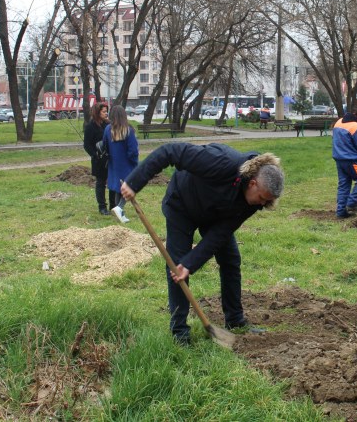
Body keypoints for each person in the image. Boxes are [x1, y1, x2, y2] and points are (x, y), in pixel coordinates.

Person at [120, 143, 284, 344]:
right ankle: (180, 332)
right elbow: (170, 151)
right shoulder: (222, 162)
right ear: (253, 183)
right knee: (176, 266)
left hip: (215, 215)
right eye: (261, 198)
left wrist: (192, 263)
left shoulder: (255, 202)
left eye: (266, 202)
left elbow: (220, 234)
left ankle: (235, 319)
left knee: (230, 261)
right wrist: (135, 182)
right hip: (182, 204)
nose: (262, 204)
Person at [332, 105, 357, 218]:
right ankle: (352, 203)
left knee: (344, 184)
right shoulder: (355, 127)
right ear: (356, 114)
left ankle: (341, 212)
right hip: (351, 160)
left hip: (339, 159)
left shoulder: (338, 122)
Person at [102, 106, 138, 223]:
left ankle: (120, 213)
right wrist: (135, 162)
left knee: (119, 188)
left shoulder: (108, 129)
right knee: (130, 187)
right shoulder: (128, 130)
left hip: (114, 163)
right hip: (126, 164)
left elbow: (105, 146)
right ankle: (119, 208)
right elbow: (133, 151)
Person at [83, 103, 113, 215]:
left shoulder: (108, 125)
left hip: (110, 158)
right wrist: (95, 155)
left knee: (112, 182)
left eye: (106, 111)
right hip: (99, 160)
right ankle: (102, 207)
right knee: (101, 182)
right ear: (97, 112)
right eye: (104, 111)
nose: (106, 113)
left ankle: (113, 205)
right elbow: (87, 145)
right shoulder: (90, 126)